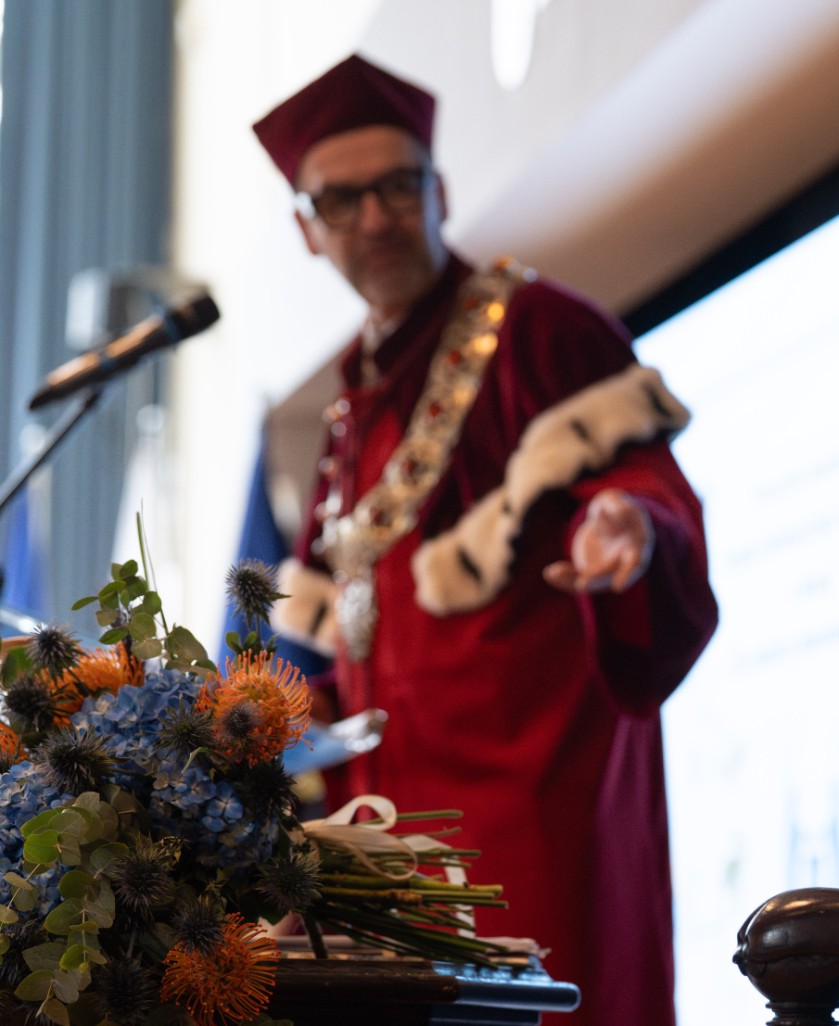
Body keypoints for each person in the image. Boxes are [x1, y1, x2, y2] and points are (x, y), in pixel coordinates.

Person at [251, 55, 718, 1026]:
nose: (376, 218)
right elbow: (367, 626)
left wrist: (627, 526)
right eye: (342, 200)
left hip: (529, 806)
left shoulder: (539, 329)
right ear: (307, 228)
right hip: (385, 825)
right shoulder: (350, 402)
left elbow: (641, 485)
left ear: (440, 191)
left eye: (397, 186)